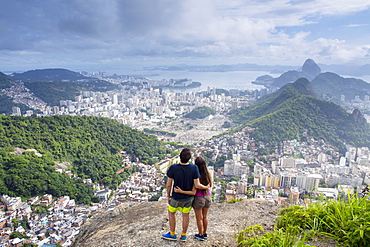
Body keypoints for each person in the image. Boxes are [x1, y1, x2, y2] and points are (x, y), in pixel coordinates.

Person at [162, 148, 209, 242]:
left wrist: (168, 196)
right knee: (185, 215)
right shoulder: (194, 168)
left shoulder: (173, 168)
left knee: (171, 213)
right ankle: (183, 235)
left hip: (176, 197)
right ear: (189, 158)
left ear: (180, 157)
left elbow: (168, 184)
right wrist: (206, 187)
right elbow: (196, 184)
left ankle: (172, 234)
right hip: (189, 198)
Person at [174, 156, 213, 241]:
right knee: (205, 216)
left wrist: (181, 191)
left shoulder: (196, 174)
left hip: (199, 198)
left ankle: (200, 234)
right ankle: (205, 233)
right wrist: (206, 187)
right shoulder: (208, 173)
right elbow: (211, 185)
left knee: (199, 218)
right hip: (208, 196)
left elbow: (196, 186)